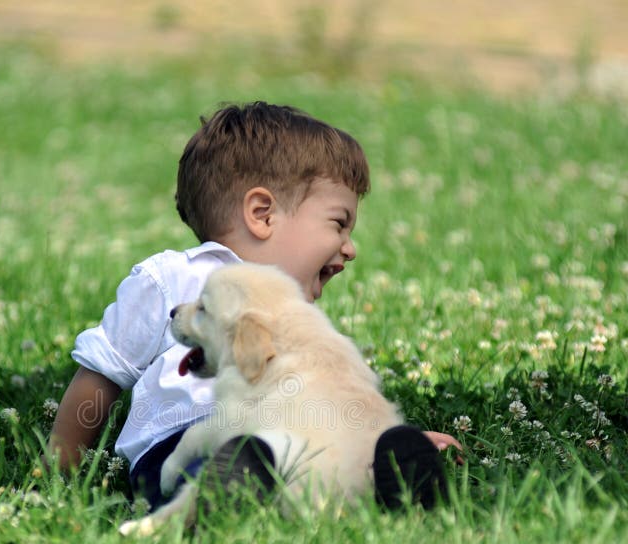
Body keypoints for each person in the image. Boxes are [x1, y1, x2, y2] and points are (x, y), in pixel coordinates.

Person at [47, 101, 460, 510]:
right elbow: (102, 376)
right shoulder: (171, 278)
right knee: (216, 466)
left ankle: (393, 468)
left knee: (323, 458)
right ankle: (232, 488)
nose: (350, 249)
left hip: (287, 433)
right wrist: (60, 471)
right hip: (179, 441)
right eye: (339, 223)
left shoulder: (290, 314)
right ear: (262, 214)